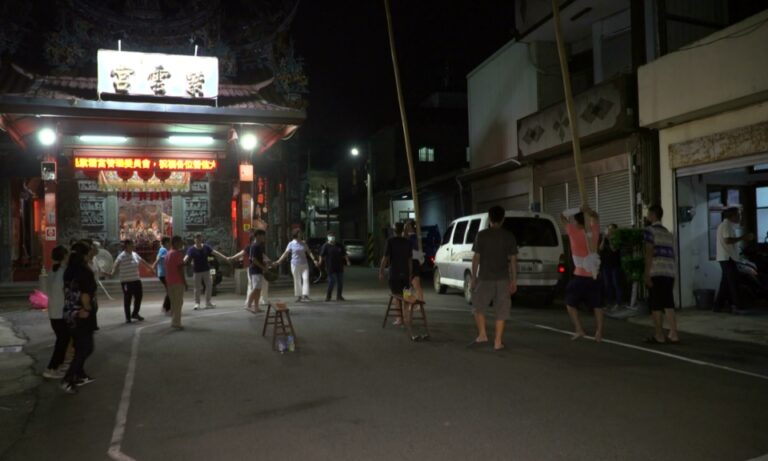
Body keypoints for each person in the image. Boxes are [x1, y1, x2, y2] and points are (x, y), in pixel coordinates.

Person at [468, 206, 518, 351]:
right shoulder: (509, 236)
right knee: (501, 310)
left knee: (478, 307)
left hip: (484, 278)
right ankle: (497, 341)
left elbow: (476, 258)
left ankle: (482, 334)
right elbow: (513, 260)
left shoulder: (481, 235)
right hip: (503, 279)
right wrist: (514, 280)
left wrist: (473, 277)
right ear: (503, 219)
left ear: (490, 218)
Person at [561, 205, 604, 342]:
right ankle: (599, 332)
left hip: (579, 275)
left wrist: (579, 209)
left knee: (570, 303)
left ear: (577, 222)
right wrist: (589, 211)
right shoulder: (594, 231)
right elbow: (596, 217)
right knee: (597, 305)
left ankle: (579, 329)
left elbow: (562, 216)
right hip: (593, 275)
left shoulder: (573, 232)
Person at [61, 242, 98, 393]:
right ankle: (68, 379)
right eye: (88, 252)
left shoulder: (68, 271)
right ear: (84, 255)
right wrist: (87, 309)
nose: (90, 255)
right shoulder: (84, 272)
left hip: (69, 313)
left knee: (79, 346)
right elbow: (85, 295)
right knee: (86, 348)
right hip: (81, 314)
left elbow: (66, 291)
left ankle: (79, 374)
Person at [643, 205, 680, 344]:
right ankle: (673, 333)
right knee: (668, 303)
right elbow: (673, 255)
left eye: (648, 213)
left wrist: (647, 273)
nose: (647, 216)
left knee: (656, 305)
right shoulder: (668, 233)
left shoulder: (649, 231)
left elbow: (649, 253)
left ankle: (659, 335)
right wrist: (674, 274)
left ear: (653, 215)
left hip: (656, 271)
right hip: (669, 271)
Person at [715, 207, 754, 312]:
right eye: (738, 214)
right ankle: (736, 304)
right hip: (727, 258)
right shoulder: (726, 225)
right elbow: (727, 240)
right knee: (733, 282)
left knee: (726, 283)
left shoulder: (727, 225)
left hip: (727, 257)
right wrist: (743, 237)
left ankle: (718, 306)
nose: (740, 217)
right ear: (732, 216)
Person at [111, 240, 155, 323]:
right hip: (126, 281)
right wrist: (112, 273)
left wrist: (150, 268)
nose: (133, 246)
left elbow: (142, 261)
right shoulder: (121, 256)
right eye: (132, 244)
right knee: (128, 298)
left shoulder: (135, 254)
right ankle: (128, 317)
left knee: (139, 297)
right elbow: (115, 265)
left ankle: (135, 313)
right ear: (127, 245)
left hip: (136, 280)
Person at [43, 245, 70, 379]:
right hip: (60, 312)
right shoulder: (62, 273)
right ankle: (51, 368)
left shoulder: (51, 272)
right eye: (67, 254)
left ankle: (57, 366)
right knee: (62, 342)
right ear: (64, 256)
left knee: (62, 341)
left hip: (54, 312)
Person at [183, 233, 229, 310]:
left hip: (206, 271)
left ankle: (208, 302)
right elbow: (186, 257)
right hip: (197, 271)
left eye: (200, 239)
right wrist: (181, 262)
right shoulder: (191, 249)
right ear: (194, 240)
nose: (199, 240)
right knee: (197, 288)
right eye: (197, 239)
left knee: (209, 286)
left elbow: (215, 253)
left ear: (202, 239)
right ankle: (197, 303)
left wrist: (225, 258)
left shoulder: (206, 247)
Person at [379, 223, 412, 325]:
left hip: (395, 275)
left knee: (396, 296)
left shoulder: (390, 241)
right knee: (407, 296)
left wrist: (381, 271)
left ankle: (399, 318)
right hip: (405, 274)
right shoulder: (407, 242)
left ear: (393, 231)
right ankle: (406, 317)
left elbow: (385, 258)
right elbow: (409, 260)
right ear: (402, 230)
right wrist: (410, 274)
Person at [274, 229, 318, 302]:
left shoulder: (304, 243)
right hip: (295, 264)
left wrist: (314, 260)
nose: (301, 234)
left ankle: (305, 295)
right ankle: (299, 296)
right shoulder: (291, 243)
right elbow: (285, 253)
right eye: (299, 233)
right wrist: (278, 261)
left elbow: (309, 252)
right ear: (296, 234)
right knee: (297, 280)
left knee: (305, 279)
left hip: (304, 264)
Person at [319, 231, 351, 302]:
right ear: (328, 237)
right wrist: (320, 262)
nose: (332, 237)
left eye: (333, 236)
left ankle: (339, 296)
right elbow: (321, 255)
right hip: (330, 266)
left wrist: (347, 261)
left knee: (340, 282)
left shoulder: (339, 245)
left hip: (339, 266)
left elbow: (344, 254)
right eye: (330, 236)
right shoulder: (325, 246)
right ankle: (328, 296)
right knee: (332, 281)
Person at [165, 236, 188, 330]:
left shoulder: (168, 253)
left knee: (174, 303)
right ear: (175, 243)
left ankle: (173, 321)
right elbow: (180, 269)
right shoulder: (177, 254)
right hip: (178, 281)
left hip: (169, 281)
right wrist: (185, 282)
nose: (182, 244)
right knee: (178, 303)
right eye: (180, 242)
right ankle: (176, 323)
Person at [599, 224, 623, 311]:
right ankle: (609, 303)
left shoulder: (617, 239)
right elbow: (600, 248)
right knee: (607, 285)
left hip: (615, 266)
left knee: (616, 285)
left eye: (611, 229)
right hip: (606, 265)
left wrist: (609, 239)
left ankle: (619, 303)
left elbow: (614, 249)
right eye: (608, 229)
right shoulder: (605, 239)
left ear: (615, 230)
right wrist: (603, 239)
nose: (609, 231)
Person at [246, 229, 270, 309]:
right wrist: (263, 267)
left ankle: (256, 306)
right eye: (263, 236)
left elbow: (261, 258)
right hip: (255, 270)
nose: (264, 237)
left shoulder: (259, 246)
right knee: (256, 288)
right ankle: (248, 305)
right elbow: (254, 260)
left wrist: (267, 264)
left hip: (259, 270)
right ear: (258, 236)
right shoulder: (254, 246)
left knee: (259, 289)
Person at [405, 220, 424, 301]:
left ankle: (420, 301)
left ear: (412, 227)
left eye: (408, 225)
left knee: (415, 283)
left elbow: (415, 250)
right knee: (407, 284)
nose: (406, 227)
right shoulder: (408, 237)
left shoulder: (414, 237)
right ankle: (408, 300)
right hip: (409, 262)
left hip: (414, 261)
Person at [153, 237, 171, 315]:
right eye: (169, 242)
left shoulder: (164, 250)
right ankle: (166, 308)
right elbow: (158, 258)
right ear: (166, 242)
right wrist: (153, 266)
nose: (170, 244)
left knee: (169, 290)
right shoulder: (163, 250)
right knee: (170, 290)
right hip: (163, 274)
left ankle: (166, 307)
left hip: (164, 273)